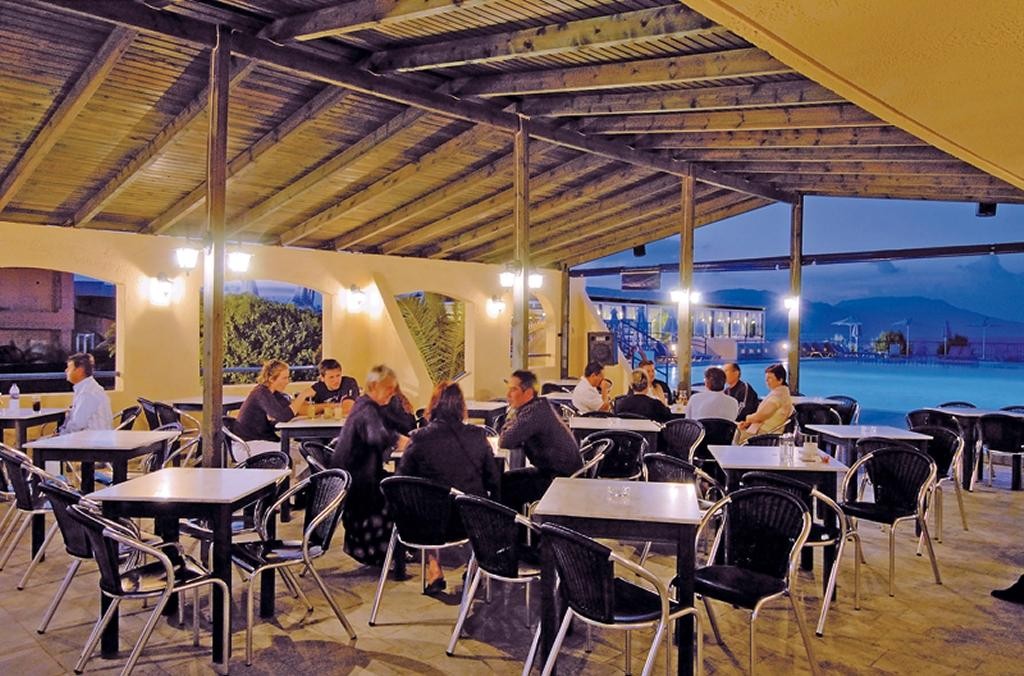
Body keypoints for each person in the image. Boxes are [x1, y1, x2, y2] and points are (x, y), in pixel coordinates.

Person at [397, 381, 500, 593]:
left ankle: (434, 568)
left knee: (428, 502)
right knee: (478, 500)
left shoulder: (418, 438)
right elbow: (493, 480)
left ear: (432, 405)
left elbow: (401, 480)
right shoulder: (477, 435)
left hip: (427, 527)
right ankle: (475, 564)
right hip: (468, 522)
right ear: (461, 406)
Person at [330, 365, 411, 570]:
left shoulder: (367, 405)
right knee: (401, 494)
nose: (392, 392)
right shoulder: (367, 409)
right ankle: (394, 553)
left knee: (399, 487)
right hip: (358, 483)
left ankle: (397, 550)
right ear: (374, 386)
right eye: (388, 388)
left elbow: (397, 424)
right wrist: (404, 441)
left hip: (356, 477)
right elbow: (379, 436)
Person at [498, 369, 581, 510]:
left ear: (528, 393)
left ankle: (512, 523)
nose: (508, 395)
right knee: (505, 480)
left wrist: (511, 415)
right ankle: (517, 522)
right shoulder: (538, 407)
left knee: (503, 487)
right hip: (557, 472)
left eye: (513, 389)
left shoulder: (534, 412)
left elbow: (505, 440)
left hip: (560, 480)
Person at [234, 360, 315, 442]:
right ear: (271, 379)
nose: (287, 382)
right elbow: (283, 417)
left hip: (262, 438)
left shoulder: (274, 393)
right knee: (301, 447)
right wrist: (302, 396)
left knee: (304, 443)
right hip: (250, 442)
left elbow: (291, 410)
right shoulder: (261, 393)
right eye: (284, 378)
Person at [737, 363, 794, 442]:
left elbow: (759, 417)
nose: (766, 381)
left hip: (763, 436)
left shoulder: (777, 397)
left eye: (770, 378)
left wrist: (748, 418)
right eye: (766, 378)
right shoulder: (782, 393)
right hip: (766, 432)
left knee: (730, 433)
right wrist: (747, 422)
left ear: (780, 380)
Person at [59, 353, 113, 434]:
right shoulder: (90, 387)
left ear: (80, 370)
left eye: (69, 368)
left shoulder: (87, 393)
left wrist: (61, 434)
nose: (66, 370)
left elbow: (77, 425)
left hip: (91, 439)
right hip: (96, 437)